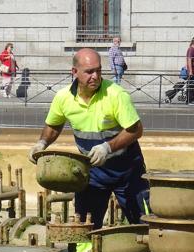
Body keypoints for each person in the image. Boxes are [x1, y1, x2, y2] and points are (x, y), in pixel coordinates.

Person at [28, 48, 149, 230]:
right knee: (85, 226)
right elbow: (53, 125)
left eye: (98, 70)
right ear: (74, 72)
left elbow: (136, 130)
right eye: (89, 71)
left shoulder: (116, 94)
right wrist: (42, 143)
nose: (95, 76)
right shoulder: (63, 98)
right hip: (92, 173)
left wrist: (107, 148)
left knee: (145, 223)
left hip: (127, 171)